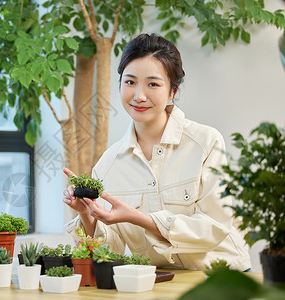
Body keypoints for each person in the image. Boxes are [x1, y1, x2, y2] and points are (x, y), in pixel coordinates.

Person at [63, 33, 251, 271]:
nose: (139, 96)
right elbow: (111, 251)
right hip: (162, 281)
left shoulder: (206, 143)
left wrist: (140, 218)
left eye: (153, 84)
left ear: (173, 91)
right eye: (130, 82)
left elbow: (215, 226)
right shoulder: (108, 165)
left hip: (223, 277)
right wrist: (87, 215)